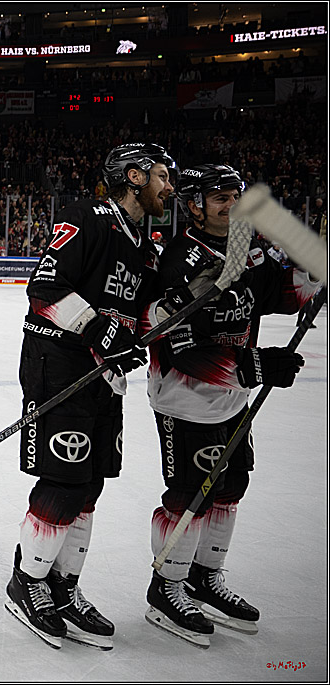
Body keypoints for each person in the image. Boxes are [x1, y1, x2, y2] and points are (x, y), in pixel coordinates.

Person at [140, 164, 322, 647]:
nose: (231, 204)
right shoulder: (178, 258)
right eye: (219, 197)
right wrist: (254, 366)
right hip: (186, 398)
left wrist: (313, 274)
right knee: (189, 494)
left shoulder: (244, 248)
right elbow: (176, 344)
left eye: (235, 196)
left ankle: (205, 576)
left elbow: (279, 294)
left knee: (232, 483)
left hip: (231, 398)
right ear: (194, 204)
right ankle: (167, 588)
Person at [7, 143, 176, 649]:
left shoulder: (143, 243)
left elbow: (143, 314)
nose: (169, 186)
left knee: (90, 485)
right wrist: (100, 329)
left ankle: (63, 586)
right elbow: (45, 287)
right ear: (133, 176)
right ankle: (28, 583)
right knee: (63, 480)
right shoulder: (89, 216)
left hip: (103, 375)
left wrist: (169, 317)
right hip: (58, 365)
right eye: (162, 176)